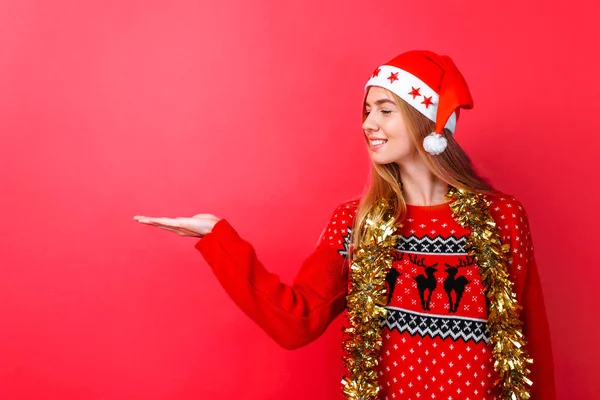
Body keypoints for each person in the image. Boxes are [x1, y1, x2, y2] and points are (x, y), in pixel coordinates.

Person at [134, 50, 556, 399]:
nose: (368, 124)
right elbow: (296, 320)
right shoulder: (356, 222)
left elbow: (529, 337)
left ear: (427, 122)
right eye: (367, 111)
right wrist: (218, 238)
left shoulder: (502, 216)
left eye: (385, 111)